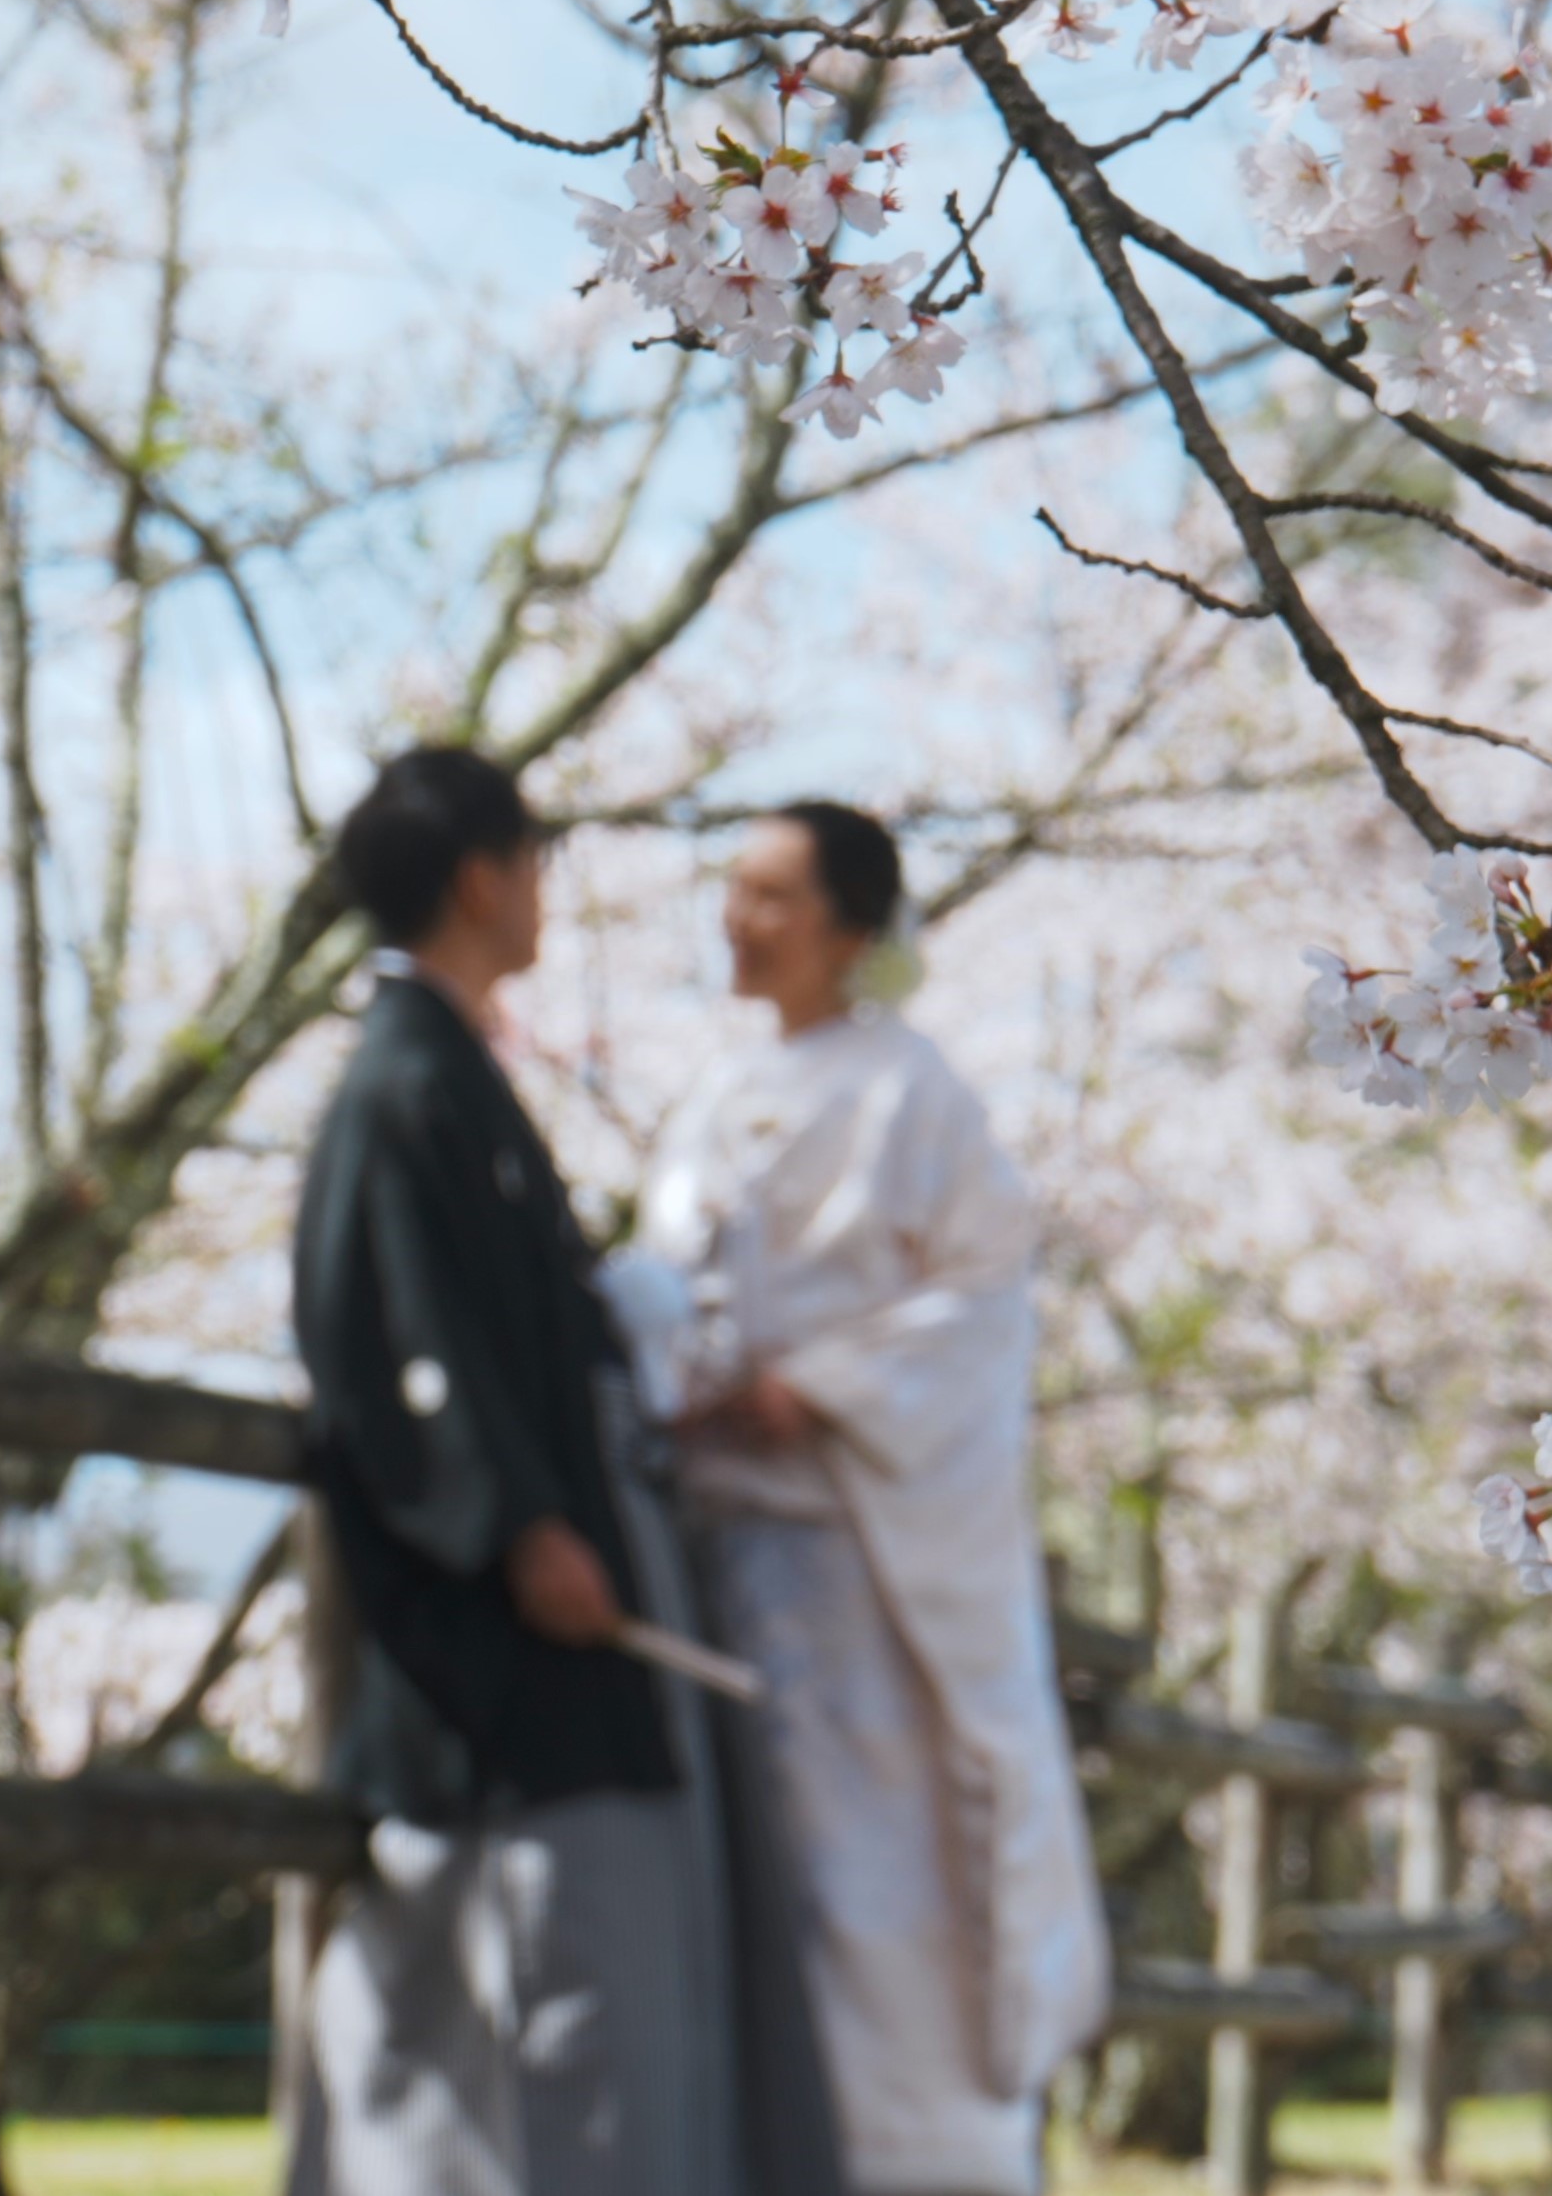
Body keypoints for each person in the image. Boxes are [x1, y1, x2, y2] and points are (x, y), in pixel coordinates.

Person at [284, 746, 839, 2196]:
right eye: (531, 860)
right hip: (510, 1647)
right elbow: (406, 1347)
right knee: (528, 2019)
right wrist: (522, 1521)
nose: (541, 890)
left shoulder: (455, 1076)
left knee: (608, 2007)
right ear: (480, 875)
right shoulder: (402, 1089)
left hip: (578, 1614)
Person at [639, 802, 1112, 2196]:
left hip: (860, 1552)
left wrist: (821, 1389)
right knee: (750, 1872)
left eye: (773, 892)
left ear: (855, 925)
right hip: (717, 1538)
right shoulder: (709, 1103)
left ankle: (916, 2163)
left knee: (877, 1872)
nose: (741, 916)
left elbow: (981, 1306)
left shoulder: (918, 1091)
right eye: (733, 887)